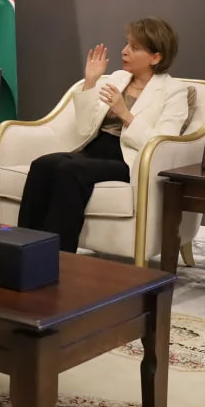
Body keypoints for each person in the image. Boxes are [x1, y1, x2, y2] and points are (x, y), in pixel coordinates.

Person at [18, 18, 189, 252]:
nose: (124, 51)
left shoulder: (173, 91)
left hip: (128, 159)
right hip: (95, 149)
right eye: (126, 44)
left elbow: (163, 143)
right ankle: (24, 249)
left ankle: (58, 256)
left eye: (134, 48)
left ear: (155, 57)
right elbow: (85, 128)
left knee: (69, 172)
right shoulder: (118, 79)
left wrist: (125, 114)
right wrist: (90, 82)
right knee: (43, 165)